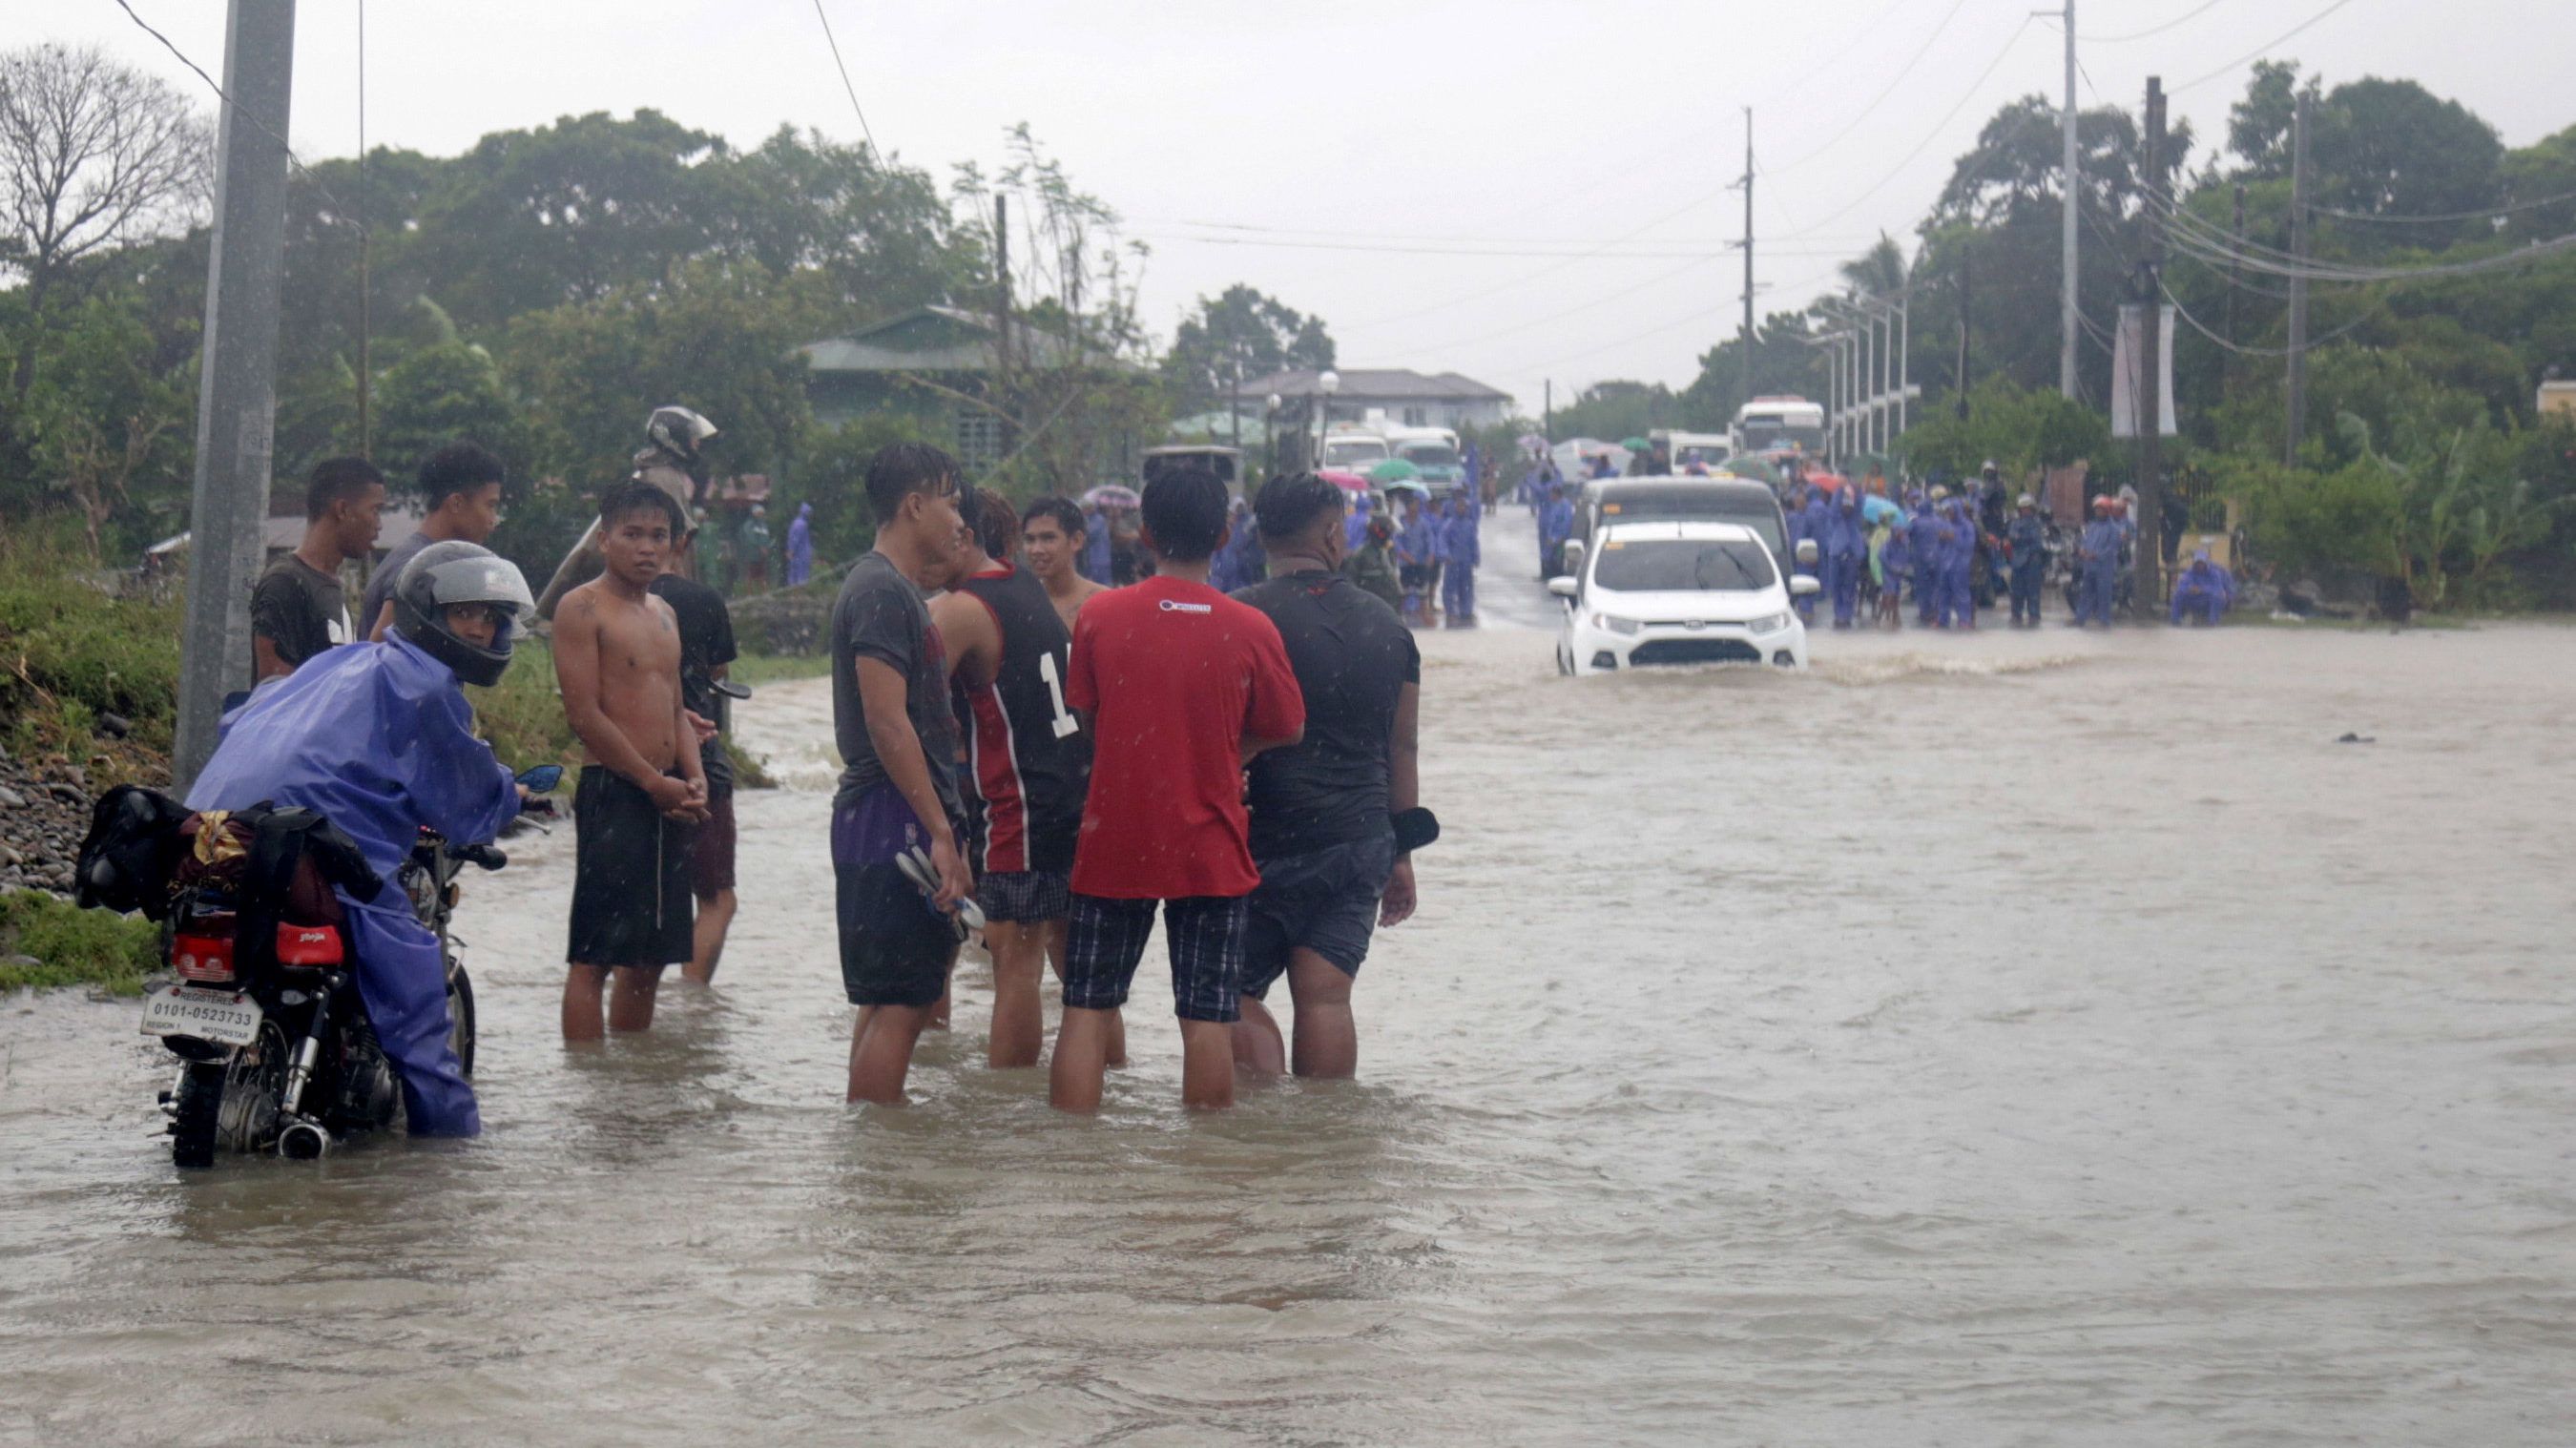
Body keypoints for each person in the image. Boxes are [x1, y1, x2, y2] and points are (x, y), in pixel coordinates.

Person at [187, 541, 537, 1136]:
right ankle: (446, 1156)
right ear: (427, 610)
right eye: (465, 614)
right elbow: (464, 789)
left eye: (488, 615)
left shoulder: (341, 661)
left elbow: (246, 714)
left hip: (213, 837)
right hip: (318, 856)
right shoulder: (424, 686)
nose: (480, 629)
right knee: (420, 1015)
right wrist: (511, 798)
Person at [1049, 463, 1305, 1113]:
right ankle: (1205, 1175)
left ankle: (1068, 1169)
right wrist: (1224, 752)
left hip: (1117, 837)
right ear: (1223, 536)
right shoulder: (1250, 627)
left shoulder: (1100, 617)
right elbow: (1286, 726)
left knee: (1086, 1007)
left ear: (1145, 532)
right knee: (1206, 1018)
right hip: (1210, 841)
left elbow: (1090, 715)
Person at [1228, 474, 1420, 1079]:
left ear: (1261, 536)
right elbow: (1404, 746)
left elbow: (1221, 738)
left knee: (1228, 992)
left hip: (1260, 839)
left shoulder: (1241, 618)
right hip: (1359, 839)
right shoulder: (1388, 625)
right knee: (1327, 998)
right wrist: (1404, 852)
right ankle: (1326, 1144)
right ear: (1334, 533)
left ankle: (1265, 1136)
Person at [931, 489, 1105, 1071]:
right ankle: (1110, 1080)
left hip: (1021, 808)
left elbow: (910, 715)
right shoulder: (1027, 587)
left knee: (1015, 963)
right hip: (1072, 793)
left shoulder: (958, 608)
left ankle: (1008, 1111)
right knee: (1079, 968)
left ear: (964, 536)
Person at [831, 444, 972, 1104]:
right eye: (950, 500)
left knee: (892, 999)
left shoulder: (889, 588)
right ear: (915, 504)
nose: (956, 516)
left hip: (889, 813)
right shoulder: (883, 591)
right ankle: (884, 1168)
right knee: (905, 1003)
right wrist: (940, 830)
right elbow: (888, 721)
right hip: (893, 814)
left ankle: (872, 1162)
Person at [553, 482, 709, 1042]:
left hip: (667, 795)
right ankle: (591, 1088)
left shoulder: (665, 611)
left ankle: (632, 1086)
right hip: (615, 792)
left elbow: (674, 706)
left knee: (651, 956)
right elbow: (585, 714)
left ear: (673, 545)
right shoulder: (583, 606)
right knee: (595, 954)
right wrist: (649, 782)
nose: (647, 547)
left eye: (658, 536)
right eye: (633, 534)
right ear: (604, 539)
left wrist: (694, 779)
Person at [650, 522, 741, 985]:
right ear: (682, 542)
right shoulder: (703, 600)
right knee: (717, 898)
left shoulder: (613, 600)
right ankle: (692, 1004)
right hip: (700, 764)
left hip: (635, 766)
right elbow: (718, 668)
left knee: (654, 902)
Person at [537, 405, 715, 618]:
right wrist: (684, 596)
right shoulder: (662, 478)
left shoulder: (658, 473)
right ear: (676, 438)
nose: (697, 442)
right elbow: (677, 543)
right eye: (693, 436)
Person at [252, 457, 385, 683]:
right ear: (342, 510)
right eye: (375, 510)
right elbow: (273, 695)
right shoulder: (284, 583)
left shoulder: (329, 582)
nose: (379, 524)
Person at [363, 442, 506, 641]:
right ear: (456, 503)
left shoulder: (425, 558)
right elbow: (379, 651)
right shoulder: (418, 567)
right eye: (490, 505)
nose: (494, 519)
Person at [1020, 496, 1108, 634]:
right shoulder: (1020, 604)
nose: (1036, 550)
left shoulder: (1104, 602)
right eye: (1030, 540)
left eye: (1048, 538)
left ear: (1076, 541)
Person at [2073, 496, 2120, 627]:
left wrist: (2097, 556)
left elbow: (2111, 549)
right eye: (2097, 509)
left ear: (2108, 511)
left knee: (2104, 594)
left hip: (2104, 567)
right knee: (2086, 592)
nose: (2098, 512)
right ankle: (2080, 618)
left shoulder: (2113, 529)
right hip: (2089, 565)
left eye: (2102, 509)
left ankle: (2104, 620)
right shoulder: (2092, 526)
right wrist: (2082, 550)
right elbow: (2085, 541)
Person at [2005, 493, 2048, 628]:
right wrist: (2019, 538)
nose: (2025, 510)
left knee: (2033, 590)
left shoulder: (2037, 523)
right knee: (2016, 590)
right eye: (2022, 508)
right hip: (2018, 559)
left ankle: (2034, 615)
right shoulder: (2015, 523)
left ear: (2032, 508)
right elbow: (2012, 537)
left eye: (2027, 508)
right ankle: (2016, 614)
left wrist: (2020, 538)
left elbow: (2036, 540)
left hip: (2033, 559)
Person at [1825, 488, 1865, 630]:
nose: (1847, 508)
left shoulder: (1855, 519)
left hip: (1852, 557)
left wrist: (1858, 490)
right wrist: (1840, 489)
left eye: (1850, 506)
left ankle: (1846, 616)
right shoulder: (1836, 518)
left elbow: (1860, 504)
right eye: (1845, 506)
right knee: (1835, 587)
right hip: (1836, 556)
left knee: (1849, 587)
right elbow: (1834, 507)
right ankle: (1838, 615)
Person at [1346, 512, 1403, 611]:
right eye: (1385, 532)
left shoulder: (1387, 553)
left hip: (1389, 607)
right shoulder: (1361, 555)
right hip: (1368, 609)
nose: (1388, 535)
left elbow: (1393, 579)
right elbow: (1351, 584)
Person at [1394, 494, 1437, 624]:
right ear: (1407, 507)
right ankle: (1399, 617)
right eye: (1413, 505)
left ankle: (1425, 616)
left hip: (1420, 562)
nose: (1415, 508)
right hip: (1405, 563)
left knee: (1422, 591)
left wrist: (1431, 554)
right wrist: (1403, 554)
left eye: (1417, 505)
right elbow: (1396, 541)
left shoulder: (1423, 523)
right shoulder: (1400, 523)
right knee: (1404, 591)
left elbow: (1430, 540)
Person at [1440, 489, 1480, 626]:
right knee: (1450, 588)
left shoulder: (1469, 525)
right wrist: (1445, 555)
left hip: (1466, 562)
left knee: (1467, 588)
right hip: (1453, 562)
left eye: (1464, 506)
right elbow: (1443, 541)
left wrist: (1476, 557)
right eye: (1459, 506)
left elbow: (1473, 542)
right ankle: (1451, 611)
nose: (1462, 508)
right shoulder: (1449, 524)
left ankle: (1466, 611)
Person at [2169, 549, 2235, 626]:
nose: (2199, 565)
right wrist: (2190, 588)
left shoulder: (2214, 573)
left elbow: (2218, 589)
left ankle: (2212, 622)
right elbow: (2181, 586)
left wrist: (2202, 590)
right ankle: (2175, 621)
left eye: (2202, 563)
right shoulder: (2189, 572)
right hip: (2193, 599)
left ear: (2206, 563)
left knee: (2218, 597)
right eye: (2197, 563)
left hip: (2206, 600)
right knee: (2178, 595)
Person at [1877, 505, 1911, 630]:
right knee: (1888, 595)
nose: (1900, 535)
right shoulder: (1887, 544)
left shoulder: (1904, 545)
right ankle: (1884, 616)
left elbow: (1906, 558)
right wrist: (1892, 567)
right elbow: (1882, 557)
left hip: (1898, 573)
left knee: (1896, 595)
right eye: (1899, 533)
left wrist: (1901, 568)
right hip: (1888, 573)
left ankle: (1895, 617)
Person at [1538, 483, 1574, 579]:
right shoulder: (1554, 505)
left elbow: (1567, 522)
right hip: (1552, 540)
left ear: (1556, 494)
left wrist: (1560, 538)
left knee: (1559, 561)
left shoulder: (1565, 505)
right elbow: (1551, 523)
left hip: (1560, 539)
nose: (1550, 496)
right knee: (1549, 559)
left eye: (1552, 494)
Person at [739, 504, 775, 590]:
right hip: (752, 554)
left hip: (762, 555)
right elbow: (750, 538)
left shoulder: (764, 525)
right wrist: (760, 547)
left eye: (762, 513)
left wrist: (767, 546)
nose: (761, 515)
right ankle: (749, 594)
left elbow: (766, 538)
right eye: (759, 513)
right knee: (750, 574)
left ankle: (765, 593)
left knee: (762, 574)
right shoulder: (749, 525)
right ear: (754, 513)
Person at [786, 501, 816, 587]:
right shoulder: (801, 525)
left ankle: (796, 593)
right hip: (800, 553)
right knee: (800, 574)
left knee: (796, 573)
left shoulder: (798, 523)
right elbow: (795, 539)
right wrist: (791, 550)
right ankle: (797, 594)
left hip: (800, 553)